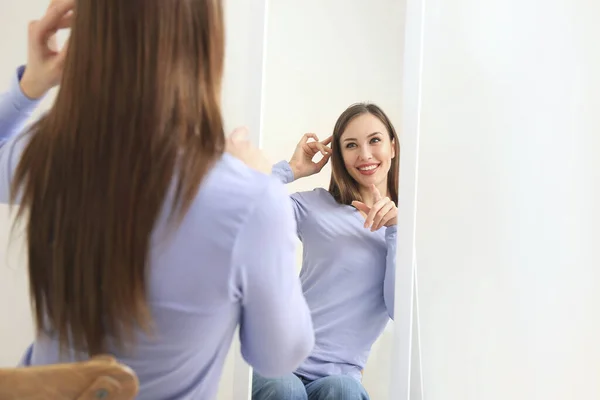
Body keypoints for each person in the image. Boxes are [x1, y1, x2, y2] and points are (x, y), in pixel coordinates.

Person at [0, 1, 314, 399]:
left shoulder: (47, 156)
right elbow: (278, 358)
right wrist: (258, 181)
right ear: (204, 41)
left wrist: (29, 87)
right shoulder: (251, 202)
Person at [252, 103, 399, 400]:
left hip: (341, 373)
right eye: (351, 145)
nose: (365, 155)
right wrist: (290, 170)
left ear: (392, 147)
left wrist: (396, 230)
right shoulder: (314, 206)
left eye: (374, 140)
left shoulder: (405, 230)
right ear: (341, 157)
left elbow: (400, 310)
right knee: (285, 390)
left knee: (343, 391)